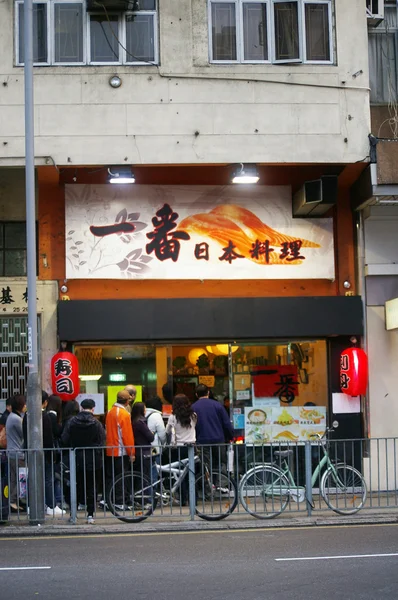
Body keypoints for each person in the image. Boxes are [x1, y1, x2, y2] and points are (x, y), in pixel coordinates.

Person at [61, 398, 105, 524]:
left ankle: (73, 514)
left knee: (75, 486)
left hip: (76, 458)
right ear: (93, 408)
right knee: (92, 487)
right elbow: (102, 441)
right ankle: (90, 515)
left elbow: (64, 438)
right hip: (93, 459)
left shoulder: (72, 421)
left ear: (81, 407)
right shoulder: (96, 423)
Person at [23, 391, 66, 516]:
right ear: (45, 402)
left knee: (33, 478)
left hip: (30, 453)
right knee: (48, 479)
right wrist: (51, 455)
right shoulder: (44, 416)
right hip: (45, 454)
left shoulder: (27, 415)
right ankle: (51, 506)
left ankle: (32, 505)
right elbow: (47, 438)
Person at [191, 384, 234, 482]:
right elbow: (226, 423)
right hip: (218, 440)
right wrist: (231, 436)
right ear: (208, 393)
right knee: (221, 463)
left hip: (202, 440)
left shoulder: (193, 407)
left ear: (196, 394)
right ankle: (221, 485)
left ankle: (207, 489)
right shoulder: (217, 405)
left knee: (205, 466)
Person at [105, 390, 135, 508]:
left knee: (110, 476)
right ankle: (118, 501)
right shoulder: (124, 414)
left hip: (110, 449)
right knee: (121, 477)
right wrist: (131, 452)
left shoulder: (110, 412)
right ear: (127, 401)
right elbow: (127, 435)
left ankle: (109, 500)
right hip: (120, 450)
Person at [165, 394, 197, 505]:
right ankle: (194, 499)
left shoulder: (173, 417)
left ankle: (183, 499)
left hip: (178, 448)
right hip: (192, 448)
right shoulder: (193, 415)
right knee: (192, 474)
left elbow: (167, 431)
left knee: (180, 474)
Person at [6, 395, 27, 512]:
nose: (25, 406)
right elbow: (24, 433)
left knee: (14, 479)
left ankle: (12, 501)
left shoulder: (12, 416)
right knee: (22, 478)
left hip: (12, 452)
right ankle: (12, 501)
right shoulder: (16, 419)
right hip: (18, 453)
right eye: (24, 404)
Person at [131, 402, 154, 482]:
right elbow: (151, 437)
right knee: (145, 477)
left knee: (138, 476)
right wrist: (152, 433)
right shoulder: (141, 422)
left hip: (137, 450)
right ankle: (145, 493)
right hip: (144, 452)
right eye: (145, 409)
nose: (145, 411)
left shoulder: (132, 420)